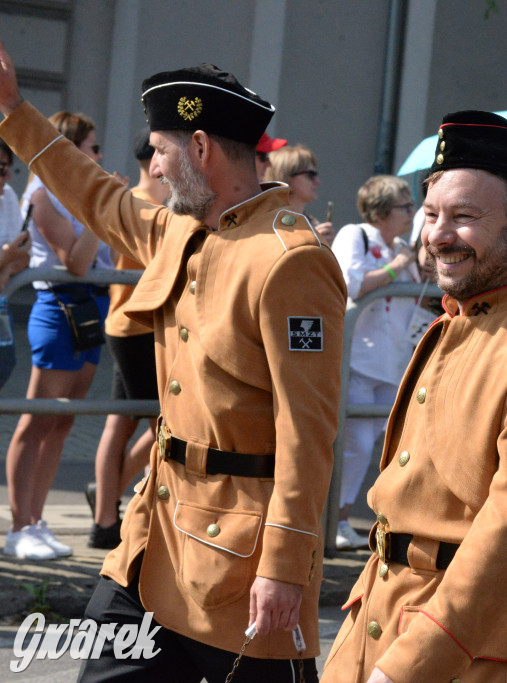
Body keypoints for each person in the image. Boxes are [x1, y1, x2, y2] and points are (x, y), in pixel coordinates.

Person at [0, 49, 346, 681]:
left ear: (202, 148)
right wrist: (12, 111)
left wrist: (285, 566)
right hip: (151, 544)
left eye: (160, 151)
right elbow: (95, 195)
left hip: (240, 568)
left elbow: (310, 430)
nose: (152, 167)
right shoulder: (181, 231)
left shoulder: (289, 259)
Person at [321, 110, 507, 683]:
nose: (436, 235)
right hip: (385, 624)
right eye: (430, 214)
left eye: (464, 216)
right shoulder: (453, 325)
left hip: (477, 651)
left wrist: (410, 664)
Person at [3, 110, 113, 561]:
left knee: (64, 421)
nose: (99, 156)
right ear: (68, 147)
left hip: (93, 308)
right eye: (92, 147)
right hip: (58, 307)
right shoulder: (42, 191)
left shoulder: (83, 193)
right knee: (38, 418)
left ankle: (39, 518)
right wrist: (103, 213)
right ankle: (18, 524)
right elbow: (76, 260)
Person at [87, 129, 169, 550]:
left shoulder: (141, 202)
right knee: (163, 423)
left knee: (123, 423)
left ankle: (105, 507)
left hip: (131, 323)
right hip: (135, 325)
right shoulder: (146, 205)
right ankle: (106, 504)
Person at [330, 174, 418, 550]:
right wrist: (398, 266)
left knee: (384, 445)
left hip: (392, 362)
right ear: (383, 210)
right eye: (406, 206)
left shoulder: (400, 245)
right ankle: (337, 518)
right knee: (357, 444)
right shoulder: (356, 234)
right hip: (357, 359)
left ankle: (346, 515)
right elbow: (351, 284)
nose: (413, 213)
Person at [0, 139, 31, 389]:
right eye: (1, 168)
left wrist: (6, 266)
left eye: (8, 167)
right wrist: (7, 257)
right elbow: (13, 253)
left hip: (2, 305)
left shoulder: (7, 196)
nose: (8, 175)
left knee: (5, 365)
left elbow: (24, 256)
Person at [265, 143, 335, 245]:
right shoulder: (267, 221)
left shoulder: (312, 223)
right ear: (285, 177)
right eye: (310, 175)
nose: (317, 181)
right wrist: (311, 241)